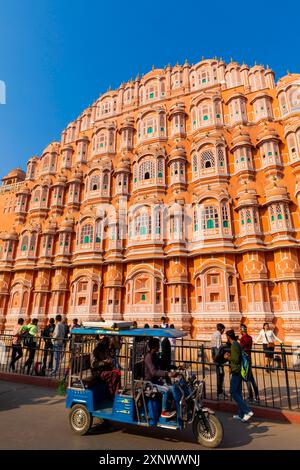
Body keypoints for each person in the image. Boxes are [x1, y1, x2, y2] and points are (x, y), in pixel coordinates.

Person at [144, 337, 177, 418]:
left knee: (172, 387)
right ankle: (164, 411)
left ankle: (171, 407)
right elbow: (154, 372)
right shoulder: (149, 357)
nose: (159, 346)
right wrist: (167, 374)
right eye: (158, 345)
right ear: (154, 346)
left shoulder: (155, 355)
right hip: (149, 383)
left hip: (156, 381)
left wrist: (175, 367)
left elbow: (163, 364)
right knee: (166, 390)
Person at [224, 329, 253, 422]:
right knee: (239, 392)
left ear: (228, 337)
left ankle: (247, 411)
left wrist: (228, 356)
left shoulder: (234, 346)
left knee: (233, 391)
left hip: (236, 371)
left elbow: (236, 359)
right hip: (239, 371)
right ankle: (241, 414)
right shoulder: (237, 344)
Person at [239, 324, 259, 403]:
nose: (240, 331)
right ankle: (256, 396)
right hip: (249, 358)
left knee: (247, 378)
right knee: (251, 378)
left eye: (240, 329)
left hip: (244, 360)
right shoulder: (250, 338)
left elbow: (241, 347)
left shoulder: (243, 339)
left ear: (242, 330)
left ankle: (250, 396)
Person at [210, 323, 226, 400]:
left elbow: (212, 347)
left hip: (215, 357)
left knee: (220, 374)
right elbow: (219, 347)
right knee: (221, 374)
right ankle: (219, 392)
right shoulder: (219, 335)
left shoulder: (214, 334)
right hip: (219, 358)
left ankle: (220, 391)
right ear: (222, 329)